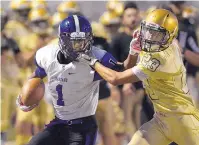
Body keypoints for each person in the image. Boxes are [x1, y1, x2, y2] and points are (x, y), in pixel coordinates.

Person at [80, 9, 199, 145]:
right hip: (160, 121)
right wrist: (133, 52)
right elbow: (127, 67)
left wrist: (92, 61)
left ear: (169, 37)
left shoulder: (161, 59)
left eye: (156, 33)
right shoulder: (158, 47)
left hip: (183, 122)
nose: (149, 36)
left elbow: (116, 79)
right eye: (148, 30)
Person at [16, 15, 122, 145]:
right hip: (60, 123)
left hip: (82, 127)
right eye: (75, 41)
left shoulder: (94, 59)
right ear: (63, 40)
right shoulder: (48, 56)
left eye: (83, 40)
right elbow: (36, 76)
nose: (80, 46)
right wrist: (24, 97)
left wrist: (133, 56)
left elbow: (120, 71)